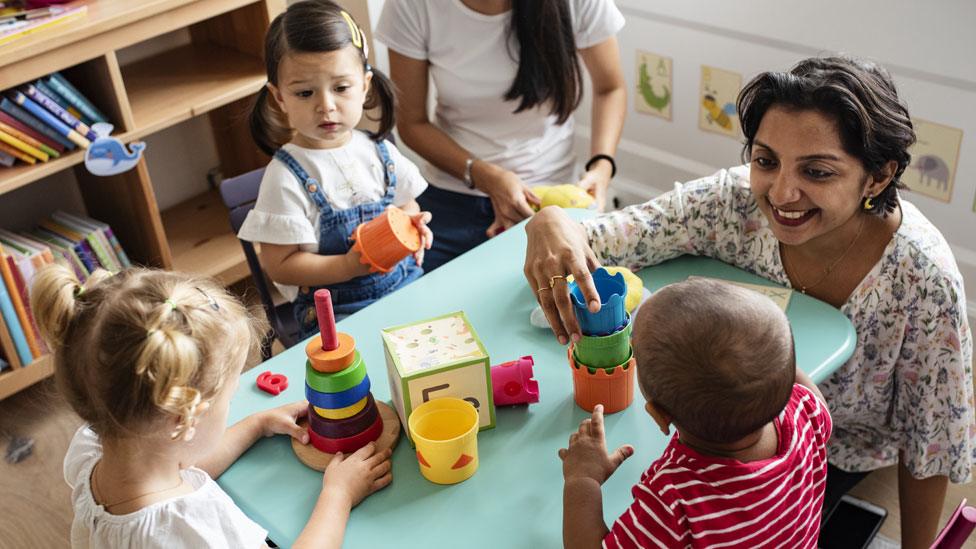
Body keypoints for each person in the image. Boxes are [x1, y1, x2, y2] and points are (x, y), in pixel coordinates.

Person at [526, 56, 974, 548]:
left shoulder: (923, 277)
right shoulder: (730, 203)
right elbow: (611, 235)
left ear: (878, 177)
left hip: (837, 452)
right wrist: (551, 222)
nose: (781, 193)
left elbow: (930, 440)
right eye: (765, 160)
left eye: (818, 171)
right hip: (733, 428)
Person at [31, 265, 392, 548]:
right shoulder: (192, 528)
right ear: (183, 418)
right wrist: (338, 495)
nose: (231, 405)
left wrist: (256, 424)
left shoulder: (95, 450)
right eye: (229, 399)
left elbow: (181, 463)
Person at [560, 278, 832, 548]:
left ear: (659, 415)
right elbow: (792, 379)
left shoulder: (674, 500)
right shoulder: (806, 413)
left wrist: (583, 478)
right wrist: (764, 353)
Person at [375, 0, 626, 271]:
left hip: (549, 197)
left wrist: (602, 166)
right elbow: (412, 123)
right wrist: (484, 175)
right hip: (453, 195)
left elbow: (610, 88)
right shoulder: (411, 5)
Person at [241, 0, 433, 338]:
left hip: (406, 286)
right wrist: (346, 266)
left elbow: (406, 204)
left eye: (341, 88)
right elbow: (280, 265)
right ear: (279, 98)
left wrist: (411, 226)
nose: (326, 106)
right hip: (337, 315)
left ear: (365, 85)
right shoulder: (286, 177)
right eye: (304, 92)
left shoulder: (379, 151)